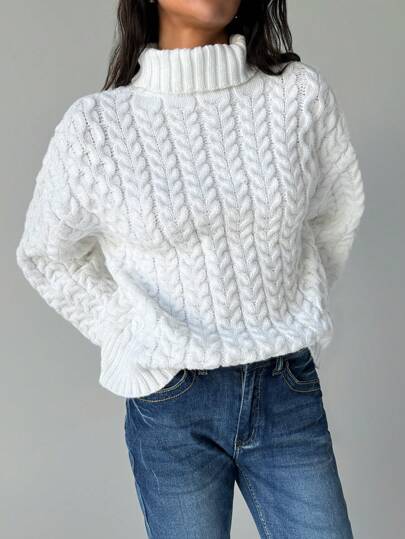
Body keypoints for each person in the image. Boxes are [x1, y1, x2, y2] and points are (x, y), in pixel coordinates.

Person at [16, 0, 365, 537]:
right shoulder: (98, 128)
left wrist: (292, 300)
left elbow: (335, 215)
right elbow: (47, 254)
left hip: (284, 386)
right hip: (172, 401)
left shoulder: (298, 97)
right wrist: (129, 331)